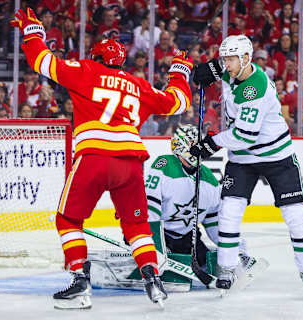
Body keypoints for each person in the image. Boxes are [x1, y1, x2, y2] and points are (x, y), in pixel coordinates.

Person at [11, 8, 194, 309]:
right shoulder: (139, 85)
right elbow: (178, 102)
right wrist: (180, 72)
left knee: (68, 219)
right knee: (137, 226)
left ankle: (80, 282)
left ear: (97, 57)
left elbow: (42, 61)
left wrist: (33, 30)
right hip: (131, 162)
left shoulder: (86, 70)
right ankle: (153, 278)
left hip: (95, 156)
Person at [190, 35, 303, 297]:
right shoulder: (237, 69)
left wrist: (210, 144)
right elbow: (225, 71)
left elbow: (243, 137)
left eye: (230, 59)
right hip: (243, 160)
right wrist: (211, 68)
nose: (226, 64)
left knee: (296, 216)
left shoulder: (255, 88)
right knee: (229, 211)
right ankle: (228, 268)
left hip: (276, 155)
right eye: (224, 59)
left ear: (245, 58)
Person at [146, 124, 258, 270]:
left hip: (187, 239)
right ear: (180, 145)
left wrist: (236, 249)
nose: (200, 149)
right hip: (157, 235)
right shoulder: (165, 166)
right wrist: (155, 248)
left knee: (208, 264)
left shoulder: (209, 179)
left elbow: (214, 224)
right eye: (194, 144)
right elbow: (149, 212)